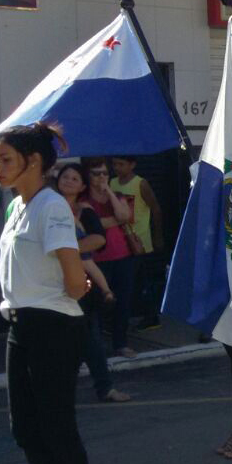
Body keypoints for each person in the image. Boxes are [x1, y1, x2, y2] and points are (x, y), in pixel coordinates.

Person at [0, 123, 94, 464]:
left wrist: (75, 287)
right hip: (22, 325)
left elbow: (73, 274)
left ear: (34, 162)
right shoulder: (21, 205)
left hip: (51, 326)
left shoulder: (51, 205)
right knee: (27, 428)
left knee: (55, 426)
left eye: (6, 160)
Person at [54, 164, 132, 405]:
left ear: (82, 186)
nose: (68, 181)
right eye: (65, 176)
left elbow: (98, 239)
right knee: (57, 342)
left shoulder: (85, 212)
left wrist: (64, 250)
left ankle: (105, 388)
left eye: (74, 178)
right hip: (52, 285)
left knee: (91, 339)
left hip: (80, 284)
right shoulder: (48, 207)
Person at [81, 158, 134, 357]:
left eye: (104, 173)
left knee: (123, 301)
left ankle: (120, 343)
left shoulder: (117, 195)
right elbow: (94, 225)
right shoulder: (83, 200)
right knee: (98, 303)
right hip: (97, 260)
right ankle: (97, 347)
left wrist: (109, 192)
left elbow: (124, 215)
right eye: (96, 173)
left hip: (122, 256)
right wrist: (115, 220)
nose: (101, 177)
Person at [109, 155, 164, 332]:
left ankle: (151, 316)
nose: (117, 168)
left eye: (121, 164)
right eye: (115, 164)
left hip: (140, 239)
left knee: (142, 280)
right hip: (120, 238)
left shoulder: (141, 183)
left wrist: (157, 236)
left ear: (132, 165)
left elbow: (155, 208)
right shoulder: (112, 183)